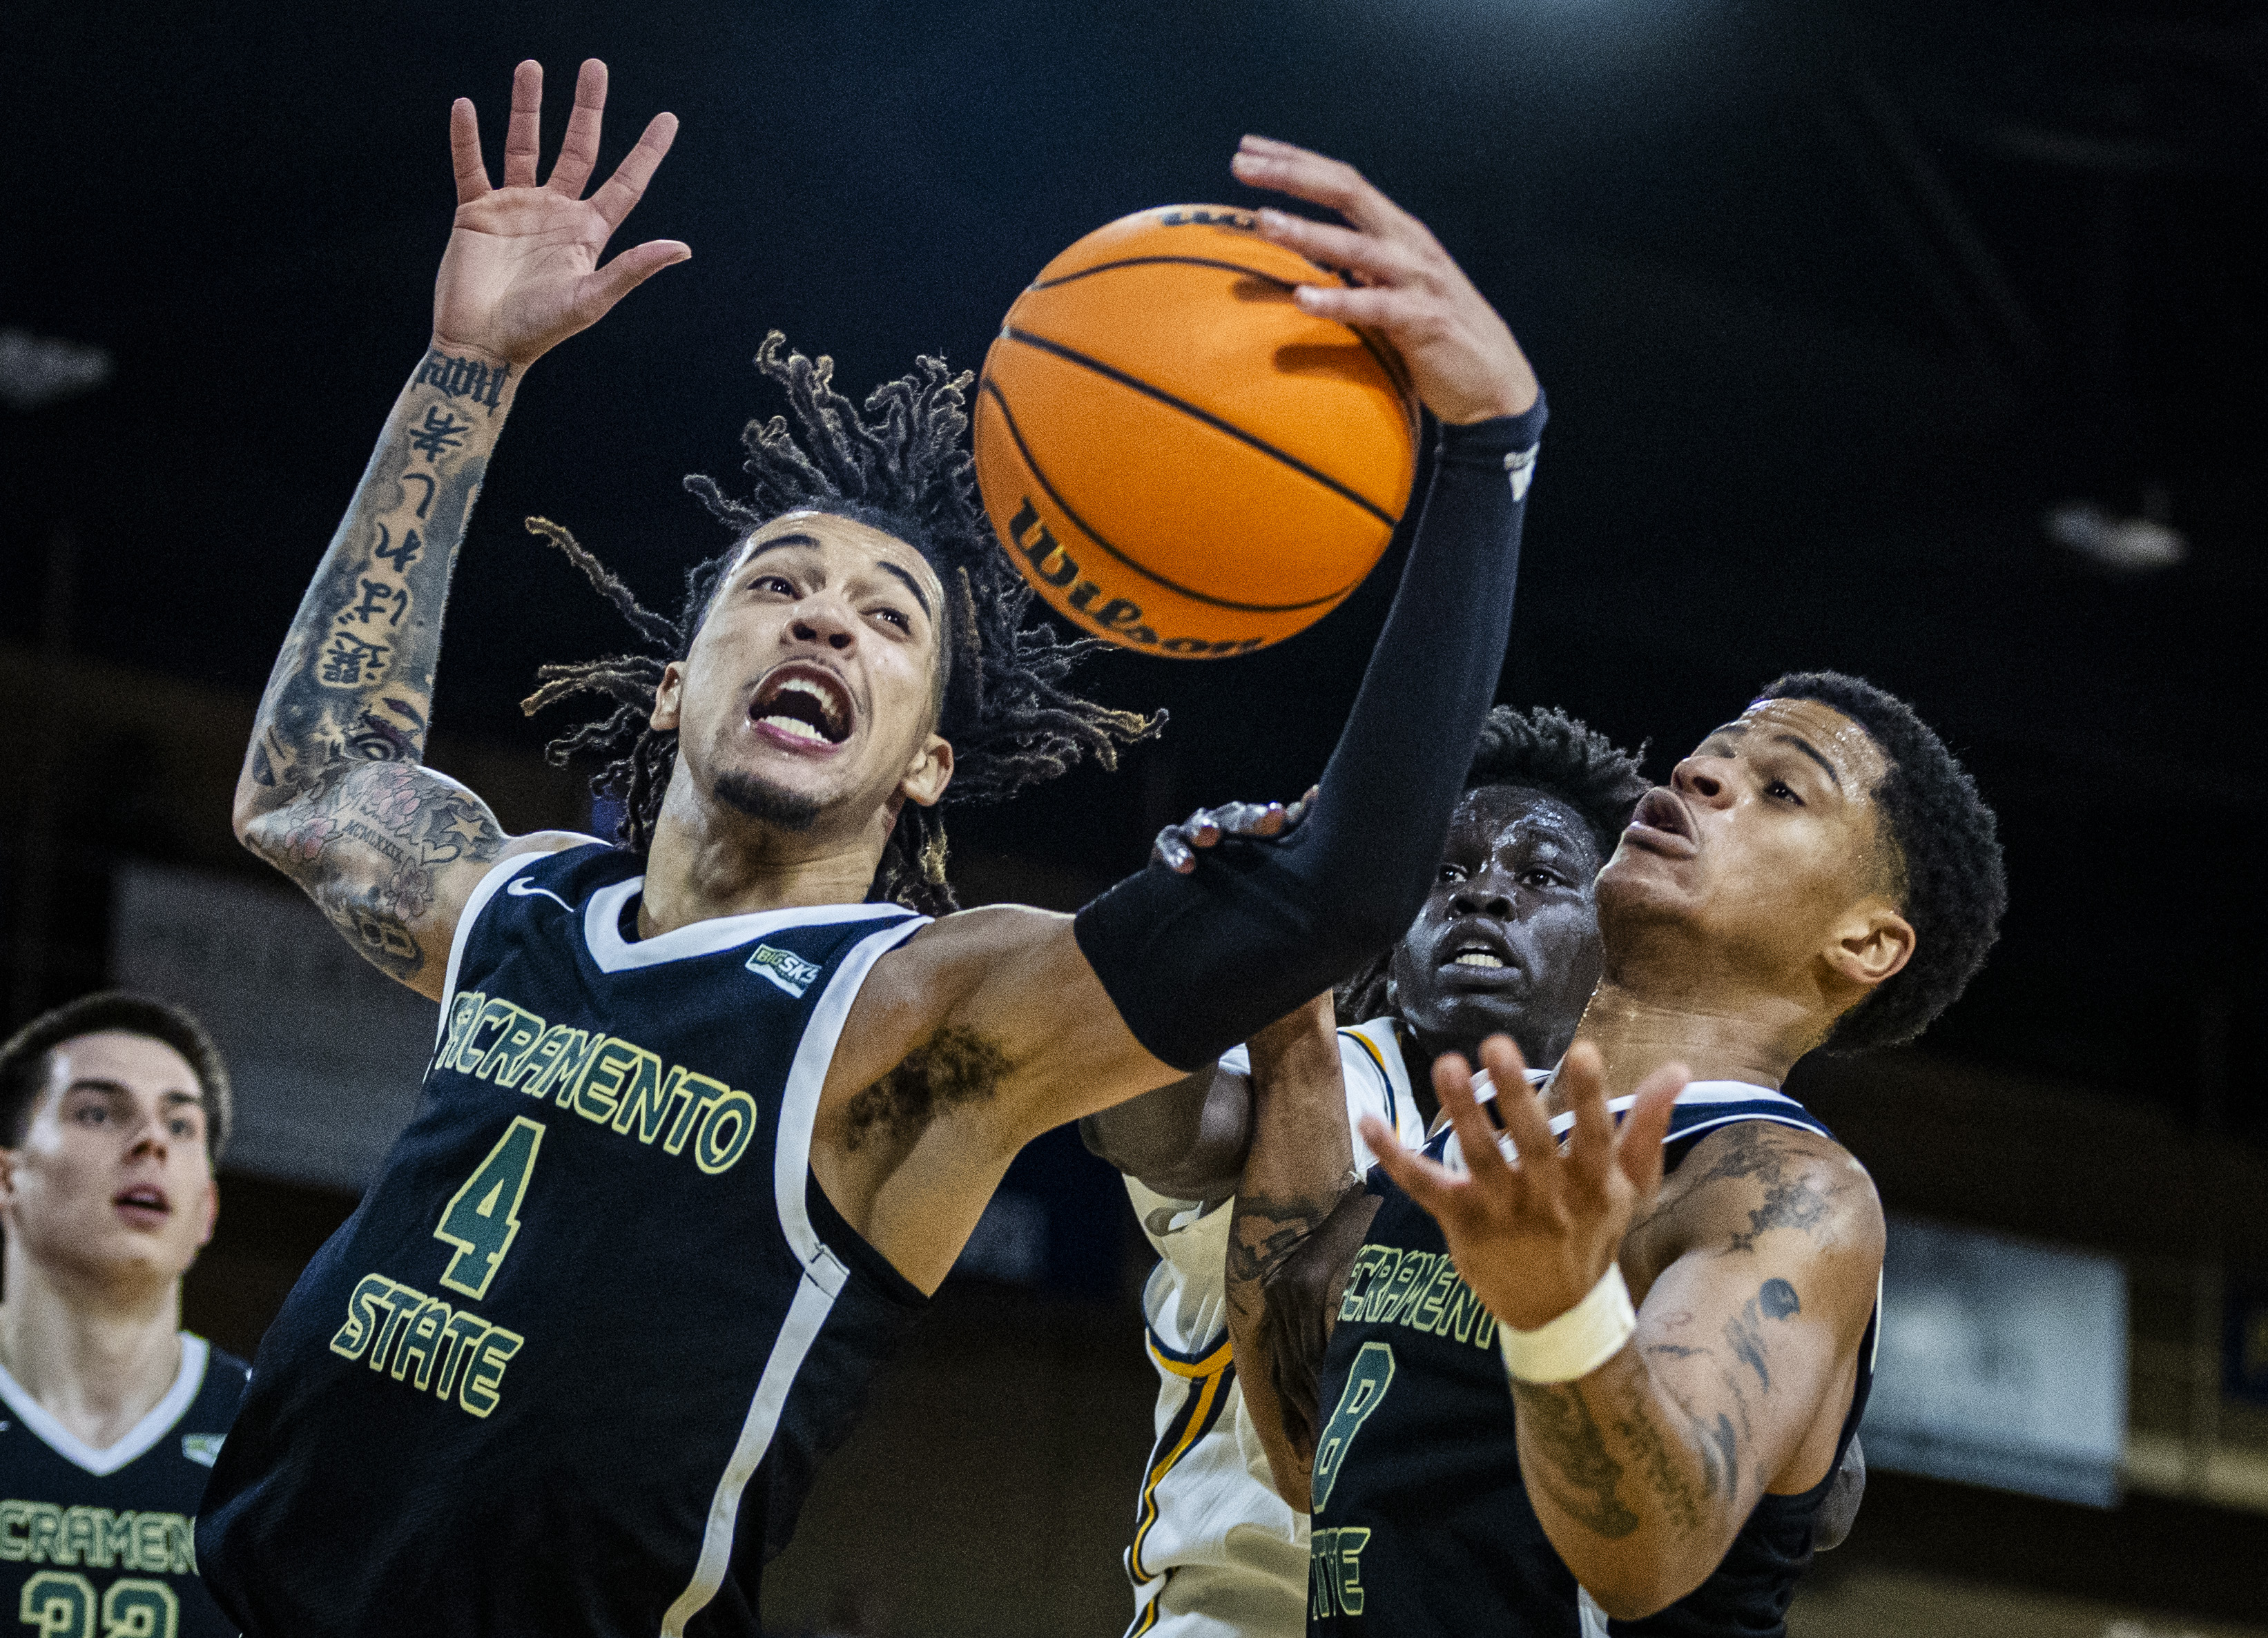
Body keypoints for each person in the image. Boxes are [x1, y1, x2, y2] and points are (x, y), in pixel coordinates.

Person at [196, 57, 1552, 1637]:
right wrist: (462, 370)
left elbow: (1333, 894)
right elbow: (311, 778)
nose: (825, 612)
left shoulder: (927, 1015)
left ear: (925, 763)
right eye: (775, 585)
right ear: (669, 685)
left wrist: (1487, 450)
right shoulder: (514, 903)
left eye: (885, 615)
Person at [1234, 674, 2002, 1635]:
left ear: (1864, 941)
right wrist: (1292, 1033)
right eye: (1712, 752)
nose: (1701, 772)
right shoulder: (1475, 1124)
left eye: (1781, 789)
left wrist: (1561, 1310)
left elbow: (1651, 1558)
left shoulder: (1785, 1188)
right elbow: (1309, 1463)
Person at [1080, 705, 1650, 1638]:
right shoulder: (1315, 1066)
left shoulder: (1654, 1144)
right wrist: (1185, 945)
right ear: (1388, 929)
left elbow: (1818, 1485)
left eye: (1540, 875)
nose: (1484, 895)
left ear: (1612, 944)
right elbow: (1148, 1129)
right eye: (1445, 872)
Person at [0, 993, 244, 1638]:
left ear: (208, 1209)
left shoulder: (272, 1439)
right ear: (6, 1179)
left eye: (181, 1125)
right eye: (99, 1111)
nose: (150, 1143)